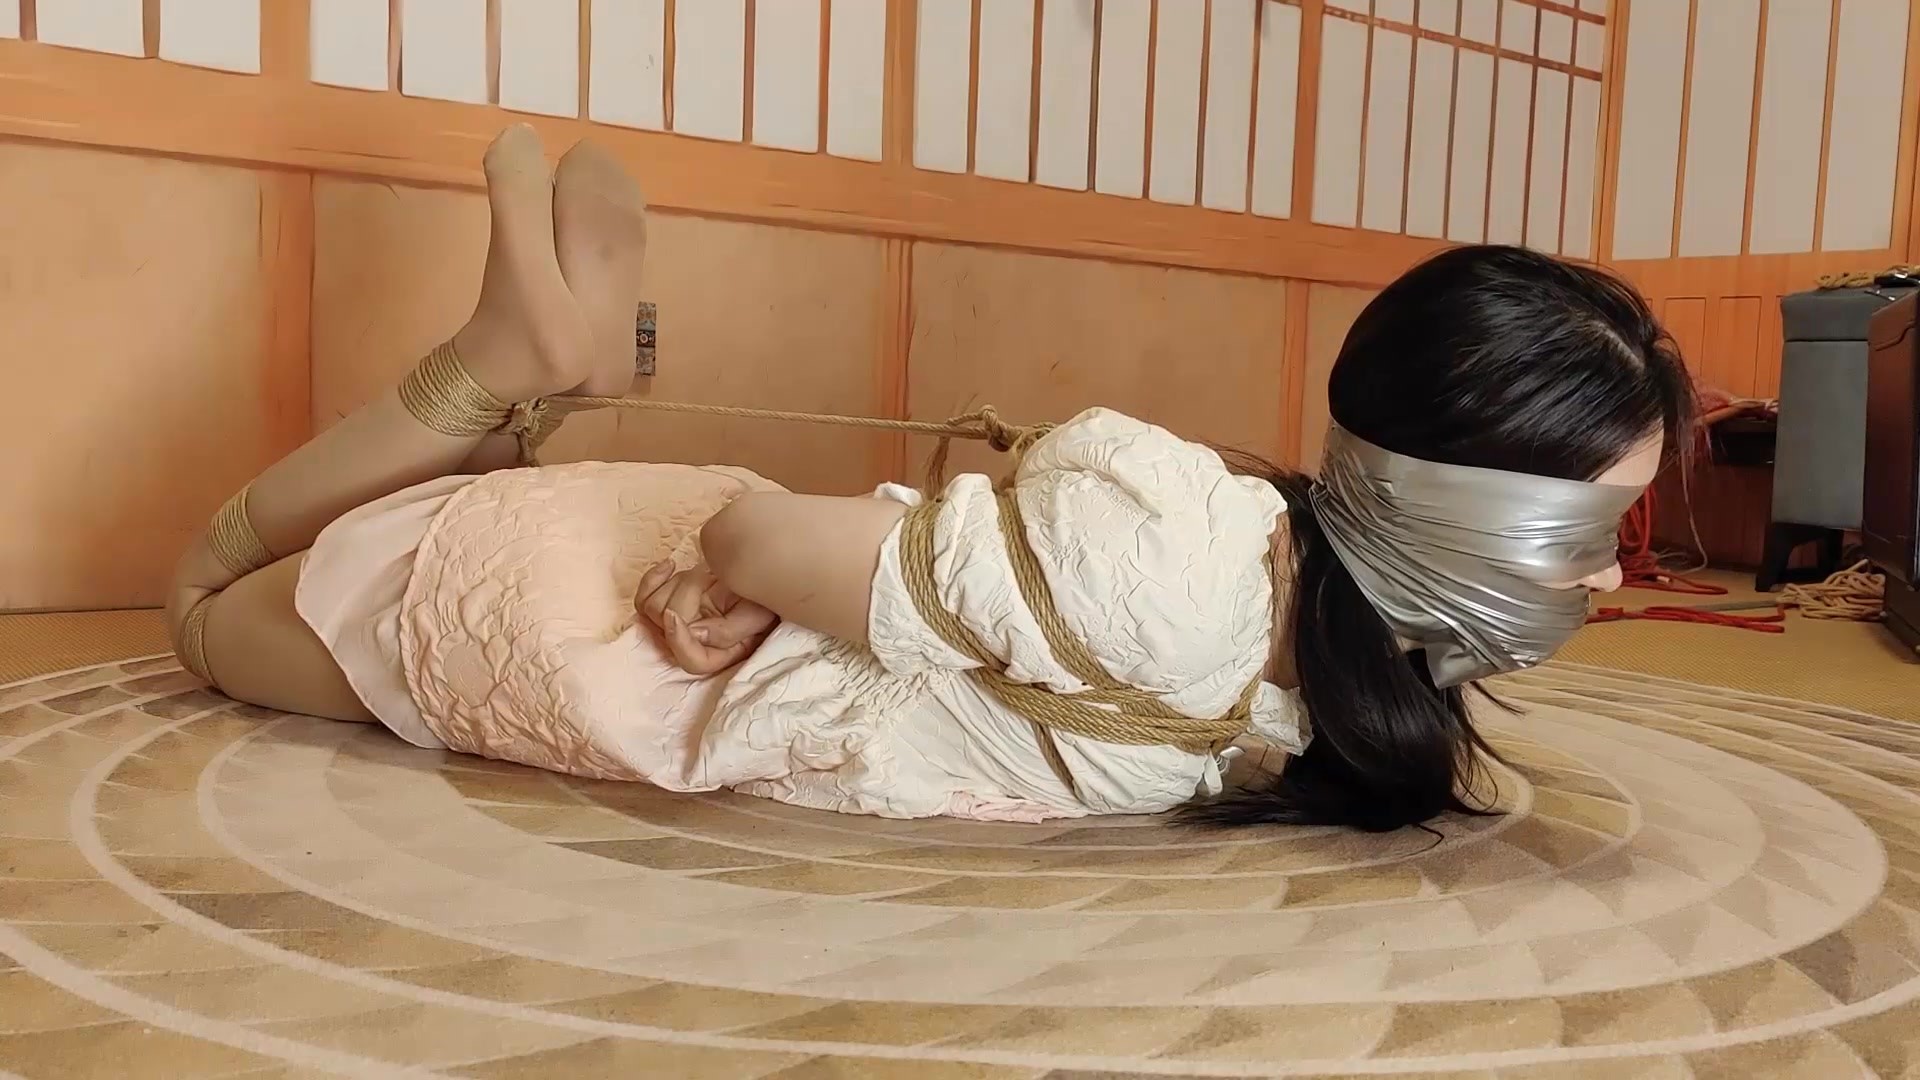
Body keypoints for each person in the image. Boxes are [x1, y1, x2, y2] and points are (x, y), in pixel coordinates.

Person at [167, 127, 1692, 832]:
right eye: (1589, 527)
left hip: (658, 603)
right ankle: (500, 367)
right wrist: (739, 565)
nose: (1610, 575)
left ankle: (544, 382)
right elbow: (758, 538)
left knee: (335, 551)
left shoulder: (1322, 619)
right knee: (198, 603)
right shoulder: (1170, 574)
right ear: (1440, 497)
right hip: (582, 631)